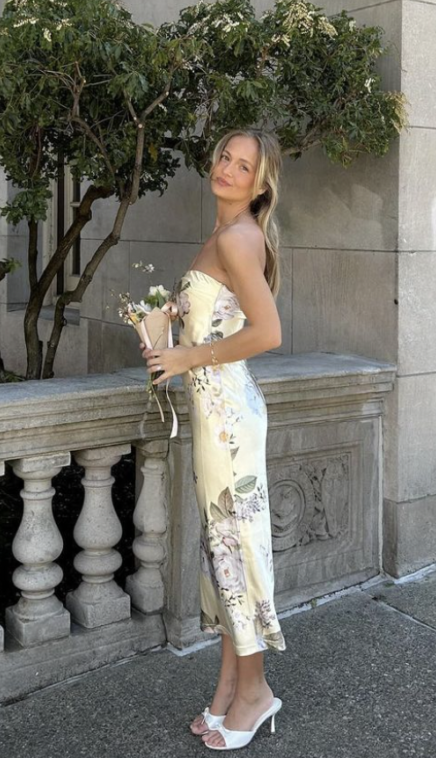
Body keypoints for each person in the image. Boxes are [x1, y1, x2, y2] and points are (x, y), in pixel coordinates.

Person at [142, 128, 285, 751]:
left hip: (228, 423)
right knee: (221, 551)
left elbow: (269, 332)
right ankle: (229, 687)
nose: (228, 168)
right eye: (225, 156)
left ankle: (255, 692)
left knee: (236, 550)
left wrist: (188, 356)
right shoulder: (223, 237)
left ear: (261, 183)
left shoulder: (236, 237)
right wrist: (161, 328)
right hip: (218, 417)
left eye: (243, 164)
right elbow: (217, 316)